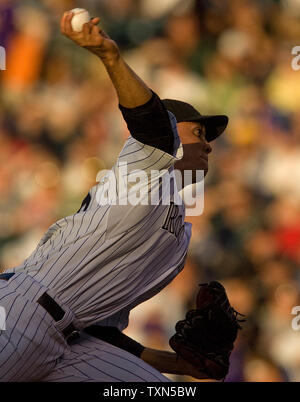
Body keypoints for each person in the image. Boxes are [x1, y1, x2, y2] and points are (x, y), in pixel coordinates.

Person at [0, 12, 228, 382]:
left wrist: (180, 365)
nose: (208, 144)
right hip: (22, 312)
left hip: (73, 342)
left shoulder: (178, 243)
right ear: (173, 130)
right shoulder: (144, 171)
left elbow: (102, 331)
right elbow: (150, 124)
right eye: (199, 131)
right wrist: (110, 57)